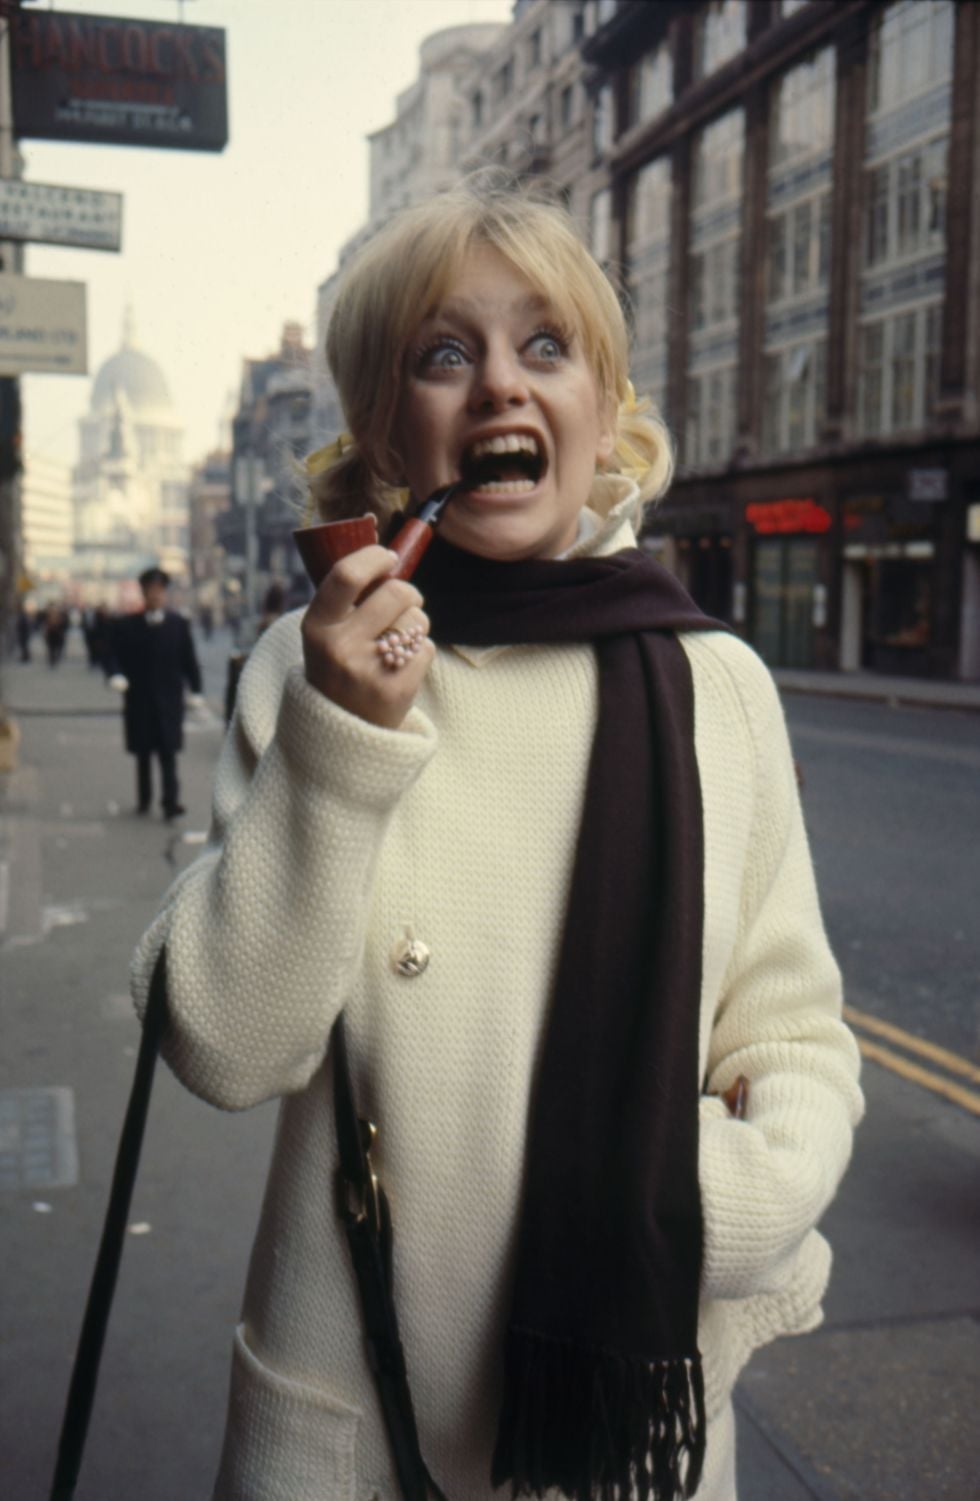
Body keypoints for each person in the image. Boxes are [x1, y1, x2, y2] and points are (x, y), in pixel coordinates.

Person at [130, 181, 863, 1501]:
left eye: (546, 348)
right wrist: (342, 735)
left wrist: (702, 1192)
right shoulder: (300, 675)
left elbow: (795, 1037)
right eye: (444, 354)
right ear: (382, 427)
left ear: (604, 409)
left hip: (624, 1436)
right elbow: (230, 1050)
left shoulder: (716, 687)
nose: (500, 390)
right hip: (352, 1417)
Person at [110, 567, 202, 819]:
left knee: (168, 753)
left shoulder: (178, 625)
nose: (156, 596)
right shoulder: (127, 625)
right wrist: (116, 675)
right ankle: (144, 800)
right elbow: (113, 655)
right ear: (143, 593)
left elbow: (189, 659)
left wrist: (196, 689)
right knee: (143, 754)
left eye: (160, 591)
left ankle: (170, 803)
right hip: (140, 700)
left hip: (169, 701)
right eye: (151, 591)